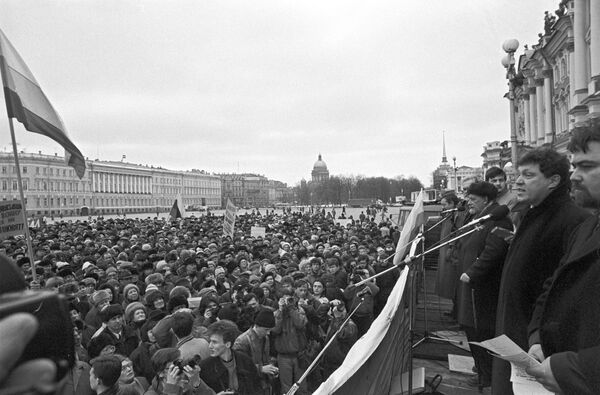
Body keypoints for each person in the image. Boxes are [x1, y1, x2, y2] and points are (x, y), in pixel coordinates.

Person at [492, 148, 591, 395]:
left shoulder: (573, 220)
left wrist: (538, 336)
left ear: (554, 181)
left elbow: (562, 287)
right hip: (516, 334)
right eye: (518, 174)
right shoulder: (533, 212)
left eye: (528, 175)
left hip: (536, 344)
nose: (517, 181)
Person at [525, 124, 600, 394]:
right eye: (574, 166)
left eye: (587, 166)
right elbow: (553, 286)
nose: (575, 177)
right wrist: (538, 337)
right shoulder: (588, 227)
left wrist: (573, 370)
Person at [454, 181, 512, 388]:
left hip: (481, 290)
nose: (468, 202)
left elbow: (494, 251)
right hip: (469, 289)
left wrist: (472, 273)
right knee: (471, 332)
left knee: (481, 333)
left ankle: (487, 378)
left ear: (486, 199)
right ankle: (482, 372)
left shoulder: (499, 221)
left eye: (473, 199)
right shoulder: (481, 218)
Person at [199, 320, 262, 395]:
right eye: (210, 341)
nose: (210, 346)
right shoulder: (205, 366)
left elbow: (257, 387)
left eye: (214, 342)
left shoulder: (245, 361)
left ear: (228, 344)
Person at [232, 308, 278, 394]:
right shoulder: (242, 341)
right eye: (266, 330)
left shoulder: (265, 338)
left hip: (264, 385)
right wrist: (261, 369)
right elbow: (238, 366)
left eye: (270, 330)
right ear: (256, 326)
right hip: (250, 387)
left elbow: (265, 359)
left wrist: (271, 368)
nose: (268, 333)